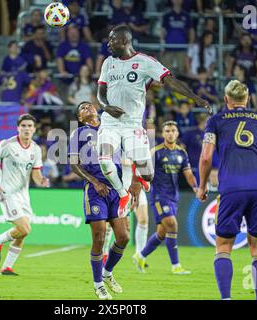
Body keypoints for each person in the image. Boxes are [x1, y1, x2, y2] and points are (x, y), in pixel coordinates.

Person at [97, 25, 210, 216]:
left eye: (112, 40)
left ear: (124, 41)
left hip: (132, 124)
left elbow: (171, 81)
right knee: (104, 158)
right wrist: (105, 107)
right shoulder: (108, 63)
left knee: (148, 175)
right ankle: (122, 194)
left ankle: (141, 178)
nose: (108, 44)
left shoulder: (145, 62)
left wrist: (195, 98)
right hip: (110, 122)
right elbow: (100, 94)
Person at [197, 80, 257, 300]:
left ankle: (226, 298)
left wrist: (203, 185)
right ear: (248, 98)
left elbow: (205, 157)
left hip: (231, 188)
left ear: (226, 100)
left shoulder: (216, 121)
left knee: (223, 245)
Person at [69, 101, 131, 300]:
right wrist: (94, 181)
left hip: (116, 188)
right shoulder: (77, 134)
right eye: (83, 108)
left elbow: (127, 154)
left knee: (123, 237)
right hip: (96, 191)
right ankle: (98, 285)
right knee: (99, 236)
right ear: (80, 118)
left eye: (89, 105)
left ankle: (107, 273)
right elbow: (73, 163)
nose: (88, 108)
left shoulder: (111, 128)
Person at [0, 114, 49, 276]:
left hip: (23, 195)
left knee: (22, 233)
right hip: (6, 193)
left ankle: (7, 267)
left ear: (34, 129)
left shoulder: (35, 149)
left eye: (30, 126)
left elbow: (35, 173)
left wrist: (41, 180)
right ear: (18, 128)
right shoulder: (8, 145)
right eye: (23, 126)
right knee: (24, 228)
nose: (26, 129)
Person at [133, 120, 197, 274]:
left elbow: (188, 173)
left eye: (173, 130)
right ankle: (176, 266)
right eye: (167, 131)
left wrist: (196, 187)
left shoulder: (182, 153)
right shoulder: (156, 152)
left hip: (173, 196)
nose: (170, 133)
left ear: (177, 133)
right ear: (163, 134)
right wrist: (136, 190)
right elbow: (142, 171)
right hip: (159, 196)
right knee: (172, 224)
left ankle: (140, 256)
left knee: (162, 232)